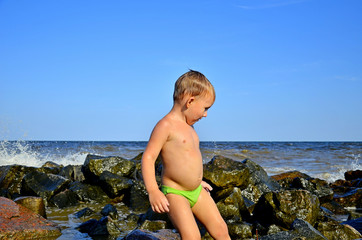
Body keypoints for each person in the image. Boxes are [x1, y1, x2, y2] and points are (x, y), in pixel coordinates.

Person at [141, 70, 230, 240]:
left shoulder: (190, 128)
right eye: (205, 108)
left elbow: (189, 157)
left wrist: (197, 180)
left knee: (221, 229)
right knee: (192, 236)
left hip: (196, 190)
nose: (205, 114)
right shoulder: (165, 125)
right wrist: (153, 191)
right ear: (190, 101)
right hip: (175, 193)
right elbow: (149, 158)